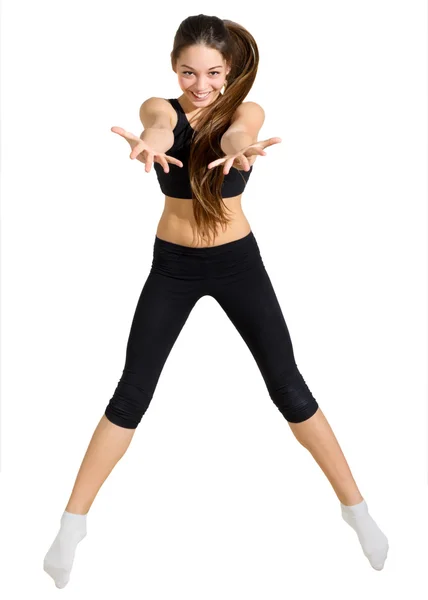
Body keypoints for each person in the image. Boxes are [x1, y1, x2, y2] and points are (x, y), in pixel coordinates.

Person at [43, 14, 389, 588]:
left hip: (237, 263)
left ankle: (357, 512)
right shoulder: (160, 105)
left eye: (212, 73)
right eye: (188, 71)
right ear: (174, 68)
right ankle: (71, 525)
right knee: (132, 392)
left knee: (288, 384)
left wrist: (239, 146)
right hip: (173, 266)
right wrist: (150, 145)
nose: (200, 84)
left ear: (228, 73)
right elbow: (157, 125)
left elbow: (235, 132)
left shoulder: (245, 114)